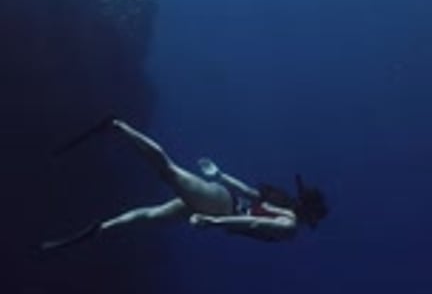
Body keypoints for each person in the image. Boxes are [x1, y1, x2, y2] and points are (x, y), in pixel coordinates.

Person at [41, 117, 328, 251]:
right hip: (219, 207)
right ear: (310, 215)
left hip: (220, 200)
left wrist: (219, 175)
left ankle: (100, 229)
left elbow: (249, 192)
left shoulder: (283, 200)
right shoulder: (289, 226)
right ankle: (118, 126)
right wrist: (213, 222)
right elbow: (252, 223)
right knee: (168, 171)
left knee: (151, 216)